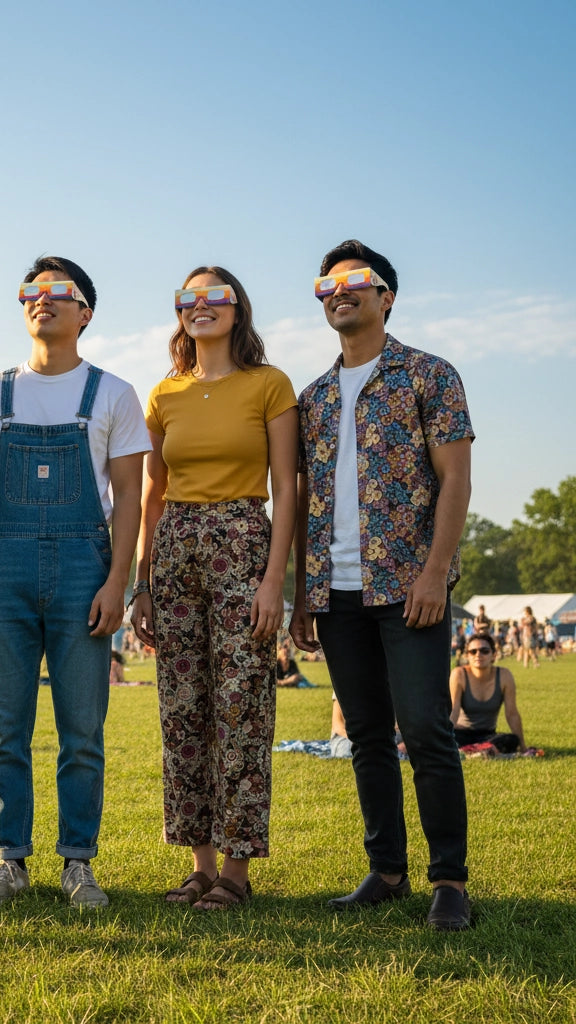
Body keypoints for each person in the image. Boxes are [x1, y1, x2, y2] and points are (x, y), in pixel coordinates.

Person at [291, 240, 474, 931]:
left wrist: (435, 572)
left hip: (408, 585)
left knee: (425, 729)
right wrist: (304, 592)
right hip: (335, 592)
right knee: (366, 734)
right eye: (326, 286)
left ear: (386, 296)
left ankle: (449, 881)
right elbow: (303, 500)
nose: (339, 292)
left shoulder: (429, 375)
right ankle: (387, 871)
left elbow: (455, 479)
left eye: (356, 282)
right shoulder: (312, 398)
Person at [0, 257, 148, 908]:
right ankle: (9, 861)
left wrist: (117, 581)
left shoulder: (113, 393)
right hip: (3, 571)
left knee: (82, 730)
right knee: (4, 729)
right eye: (31, 292)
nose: (42, 300)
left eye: (58, 292)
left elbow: (129, 498)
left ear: (85, 312)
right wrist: (4, 526)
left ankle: (78, 862)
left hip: (84, 571)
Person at [130, 266, 297, 910]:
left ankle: (236, 870)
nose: (200, 307)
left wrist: (274, 579)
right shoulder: (164, 393)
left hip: (243, 542)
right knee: (183, 710)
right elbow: (152, 491)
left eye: (214, 297)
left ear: (237, 308)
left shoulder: (269, 385)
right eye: (189, 299)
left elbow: (287, 485)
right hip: (175, 549)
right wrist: (143, 582)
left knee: (241, 706)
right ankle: (199, 865)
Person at [451, 633, 527, 752]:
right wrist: (445, 737)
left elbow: (512, 714)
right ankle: (480, 750)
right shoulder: (459, 674)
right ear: (467, 656)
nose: (478, 655)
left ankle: (472, 750)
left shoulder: (504, 676)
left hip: (487, 735)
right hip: (461, 733)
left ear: (494, 655)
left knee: (511, 740)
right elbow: (453, 710)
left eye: (484, 651)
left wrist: (523, 747)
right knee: (447, 739)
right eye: (473, 652)